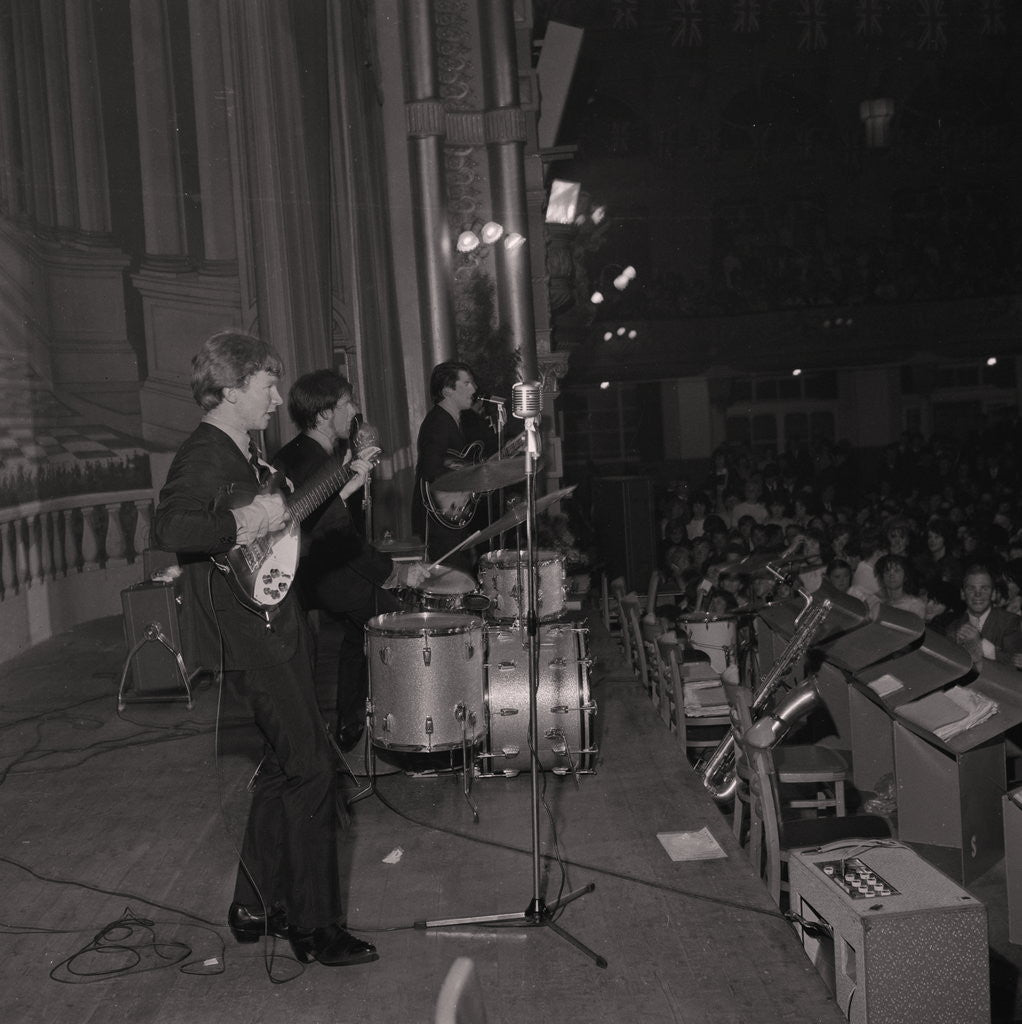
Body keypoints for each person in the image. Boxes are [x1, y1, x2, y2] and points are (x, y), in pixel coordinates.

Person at [151, 331, 378, 968]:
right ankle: (315, 929)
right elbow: (170, 525)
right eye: (266, 385)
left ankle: (255, 903)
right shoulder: (206, 452)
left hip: (274, 621)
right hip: (254, 634)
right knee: (312, 769)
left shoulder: (247, 452)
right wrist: (237, 523)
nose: (278, 397)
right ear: (228, 391)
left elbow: (286, 527)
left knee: (284, 768)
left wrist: (346, 482)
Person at [272, 370, 429, 752]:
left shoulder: (295, 452)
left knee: (359, 632)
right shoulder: (314, 461)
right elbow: (336, 536)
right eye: (347, 403)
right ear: (325, 413)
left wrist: (351, 484)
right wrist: (395, 572)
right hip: (326, 573)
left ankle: (350, 722)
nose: (355, 410)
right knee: (399, 625)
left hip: (307, 573)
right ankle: (414, 728)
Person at [412, 360, 497, 570]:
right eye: (467, 383)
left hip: (448, 516)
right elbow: (431, 469)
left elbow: (452, 463)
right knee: (454, 575)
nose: (474, 389)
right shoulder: (438, 423)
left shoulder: (453, 421)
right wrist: (467, 485)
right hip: (440, 516)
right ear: (448, 390)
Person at [944, 564, 1022, 668]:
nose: (977, 594)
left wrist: (981, 645)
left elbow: (1015, 666)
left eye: (984, 589)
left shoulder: (1010, 622)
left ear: (993, 594)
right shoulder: (953, 628)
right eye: (971, 589)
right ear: (963, 594)